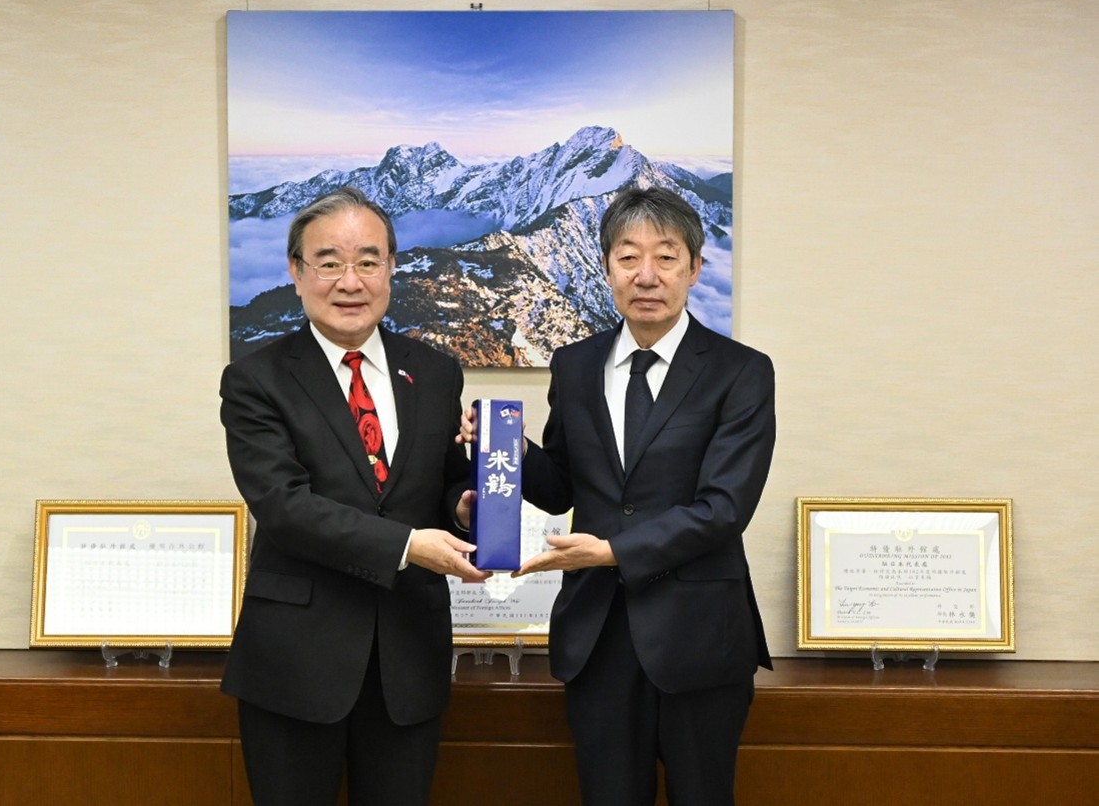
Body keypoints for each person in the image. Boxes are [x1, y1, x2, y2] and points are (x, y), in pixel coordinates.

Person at [463, 185, 774, 806]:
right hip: (599, 633)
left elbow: (724, 508)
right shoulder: (575, 364)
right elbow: (563, 490)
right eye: (628, 257)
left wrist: (611, 551)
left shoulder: (741, 371)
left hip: (700, 636)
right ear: (605, 268)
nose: (647, 274)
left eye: (666, 256)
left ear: (694, 269)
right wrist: (513, 452)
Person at [219, 186, 489, 806]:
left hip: (408, 657)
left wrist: (462, 507)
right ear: (296, 272)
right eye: (329, 262)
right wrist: (409, 545)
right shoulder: (255, 380)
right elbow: (285, 508)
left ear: (391, 268)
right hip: (295, 661)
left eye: (368, 261)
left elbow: (441, 478)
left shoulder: (435, 370)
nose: (351, 281)